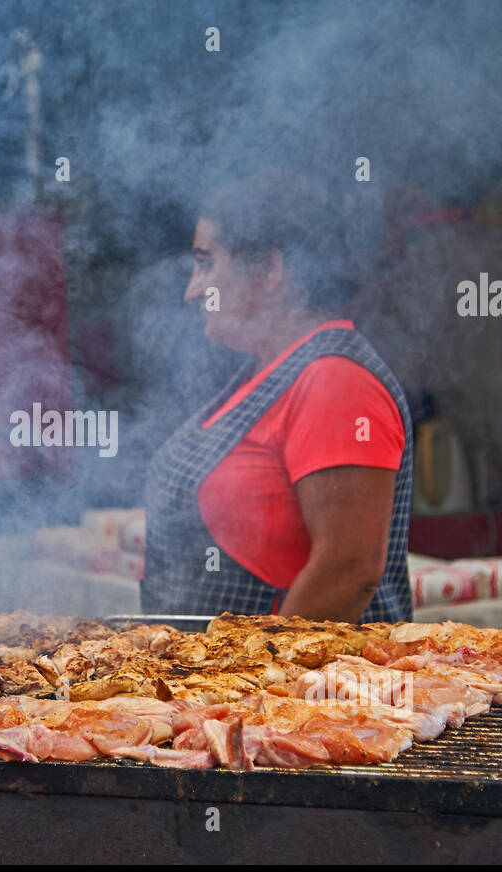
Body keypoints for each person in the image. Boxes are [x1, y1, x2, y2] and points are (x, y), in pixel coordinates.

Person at [141, 169, 413, 623]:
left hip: (299, 690)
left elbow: (349, 571)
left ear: (268, 269)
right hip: (218, 686)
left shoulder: (335, 381)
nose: (192, 291)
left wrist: (261, 676)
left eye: (206, 262)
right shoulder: (264, 374)